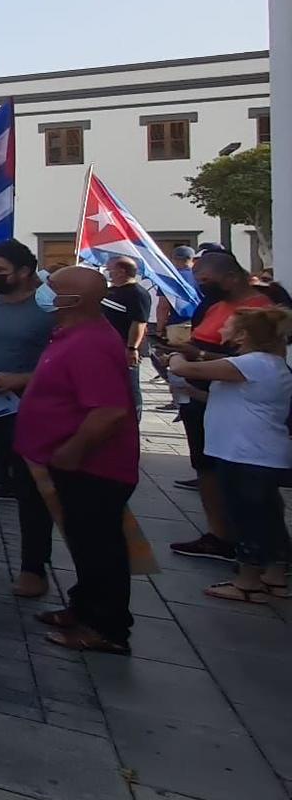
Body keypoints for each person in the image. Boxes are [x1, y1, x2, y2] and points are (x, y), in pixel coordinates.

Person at [11, 266, 140, 655]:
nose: (43, 291)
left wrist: (73, 450)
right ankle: (83, 606)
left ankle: (107, 627)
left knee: (99, 546)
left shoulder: (91, 343)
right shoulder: (71, 334)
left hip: (93, 468)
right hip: (69, 463)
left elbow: (109, 411)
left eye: (52, 287)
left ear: (72, 300)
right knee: (83, 543)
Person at [171, 306, 292, 602]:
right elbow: (229, 398)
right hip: (256, 453)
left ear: (243, 334)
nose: (221, 330)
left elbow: (185, 368)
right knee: (268, 515)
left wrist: (175, 356)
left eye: (227, 326)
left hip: (245, 454)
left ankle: (248, 582)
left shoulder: (254, 364)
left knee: (246, 517)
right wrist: (191, 390)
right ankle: (275, 576)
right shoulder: (268, 364)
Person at [164, 250, 271, 561]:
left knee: (245, 480)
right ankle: (219, 535)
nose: (201, 285)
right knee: (206, 466)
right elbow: (200, 342)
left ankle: (263, 552)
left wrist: (192, 360)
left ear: (231, 277)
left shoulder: (260, 309)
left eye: (206, 280)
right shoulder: (214, 306)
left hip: (237, 402)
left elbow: (250, 362)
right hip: (200, 398)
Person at [0, 240, 56, 597]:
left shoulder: (48, 311)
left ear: (24, 272)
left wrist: (25, 379)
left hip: (35, 410)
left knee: (32, 492)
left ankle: (34, 568)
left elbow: (62, 362)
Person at [101, 258, 151, 415]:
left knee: (129, 386)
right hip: (106, 347)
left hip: (123, 346)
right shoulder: (112, 291)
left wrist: (132, 348)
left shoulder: (137, 294)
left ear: (121, 271)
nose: (107, 272)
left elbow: (139, 322)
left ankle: (133, 417)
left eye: (109, 269)